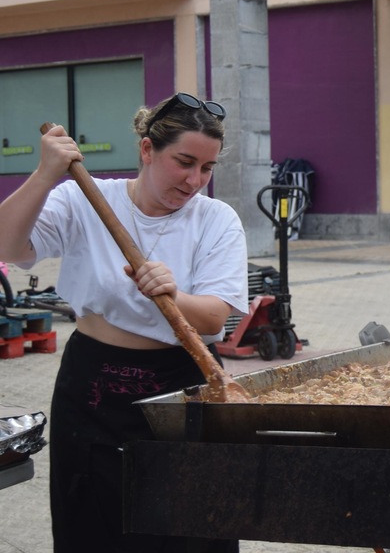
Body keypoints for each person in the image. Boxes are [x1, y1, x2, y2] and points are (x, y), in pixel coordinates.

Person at [0, 93, 248, 553]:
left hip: (184, 384)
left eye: (207, 168)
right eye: (184, 162)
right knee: (93, 523)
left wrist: (174, 295)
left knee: (192, 526)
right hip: (92, 387)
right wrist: (45, 174)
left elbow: (216, 316)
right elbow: (7, 246)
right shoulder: (83, 199)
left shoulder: (216, 219)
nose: (195, 180)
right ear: (147, 149)